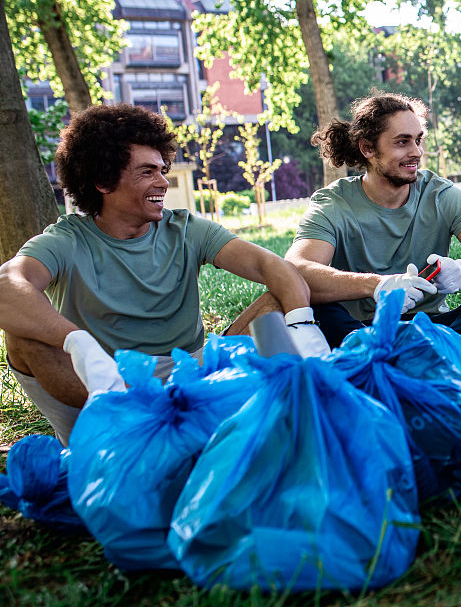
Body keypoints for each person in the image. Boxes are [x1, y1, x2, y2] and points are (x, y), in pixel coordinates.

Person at [0, 104, 320, 445]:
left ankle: (207, 420)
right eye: (147, 172)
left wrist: (302, 325)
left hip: (190, 376)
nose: (163, 182)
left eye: (162, 170)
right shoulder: (66, 240)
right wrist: (77, 342)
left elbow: (269, 266)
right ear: (103, 182)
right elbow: (7, 286)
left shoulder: (185, 228)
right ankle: (128, 428)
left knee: (276, 301)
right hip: (104, 387)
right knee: (22, 336)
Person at [259, 90, 461, 379]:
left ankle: (391, 374)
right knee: (321, 310)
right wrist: (377, 286)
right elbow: (296, 270)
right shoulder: (333, 203)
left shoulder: (439, 194)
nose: (416, 152)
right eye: (402, 142)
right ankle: (452, 370)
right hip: (360, 330)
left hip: (432, 328)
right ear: (367, 148)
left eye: (418, 140)